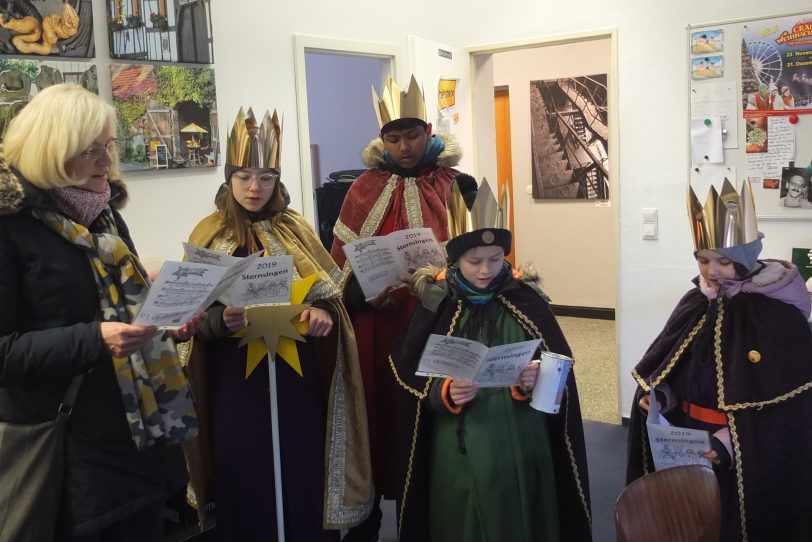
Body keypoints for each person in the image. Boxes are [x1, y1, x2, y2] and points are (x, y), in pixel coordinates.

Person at [0, 84, 201, 539]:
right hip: (68, 458)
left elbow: (128, 309)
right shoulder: (9, 227)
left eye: (109, 145)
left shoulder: (103, 214)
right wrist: (95, 340)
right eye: (92, 151)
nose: (108, 162)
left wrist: (168, 324)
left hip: (138, 442)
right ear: (52, 151)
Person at [183, 107, 373, 541]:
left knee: (301, 459)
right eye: (245, 176)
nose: (255, 187)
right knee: (242, 461)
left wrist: (322, 313)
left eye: (266, 177)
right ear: (229, 178)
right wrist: (218, 321)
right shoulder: (208, 233)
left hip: (296, 376)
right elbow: (190, 319)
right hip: (234, 379)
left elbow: (332, 297)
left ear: (277, 180)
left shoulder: (297, 230)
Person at [390, 178, 592, 541]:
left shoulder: (525, 298)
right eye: (474, 261)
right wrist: (444, 393)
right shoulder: (437, 302)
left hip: (523, 435)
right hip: (460, 440)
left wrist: (538, 378)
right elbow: (409, 377)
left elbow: (559, 367)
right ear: (455, 258)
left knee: (525, 509)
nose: (485, 270)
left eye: (496, 260)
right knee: (463, 514)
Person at [626, 180, 812, 541]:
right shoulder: (697, 302)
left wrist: (727, 443)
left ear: (744, 257)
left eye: (724, 262)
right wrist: (661, 395)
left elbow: (786, 414)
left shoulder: (775, 315)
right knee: (686, 522)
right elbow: (677, 366)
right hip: (684, 441)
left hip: (739, 453)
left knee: (729, 526)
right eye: (703, 259)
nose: (711, 271)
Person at [330, 74, 462, 541]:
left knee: (427, 419)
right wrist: (360, 294)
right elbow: (338, 268)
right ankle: (367, 519)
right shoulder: (362, 188)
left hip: (434, 325)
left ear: (428, 131)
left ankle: (426, 521)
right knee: (375, 417)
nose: (404, 146)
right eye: (393, 137)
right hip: (376, 326)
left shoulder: (455, 185)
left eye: (412, 136)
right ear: (381, 139)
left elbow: (485, 261)